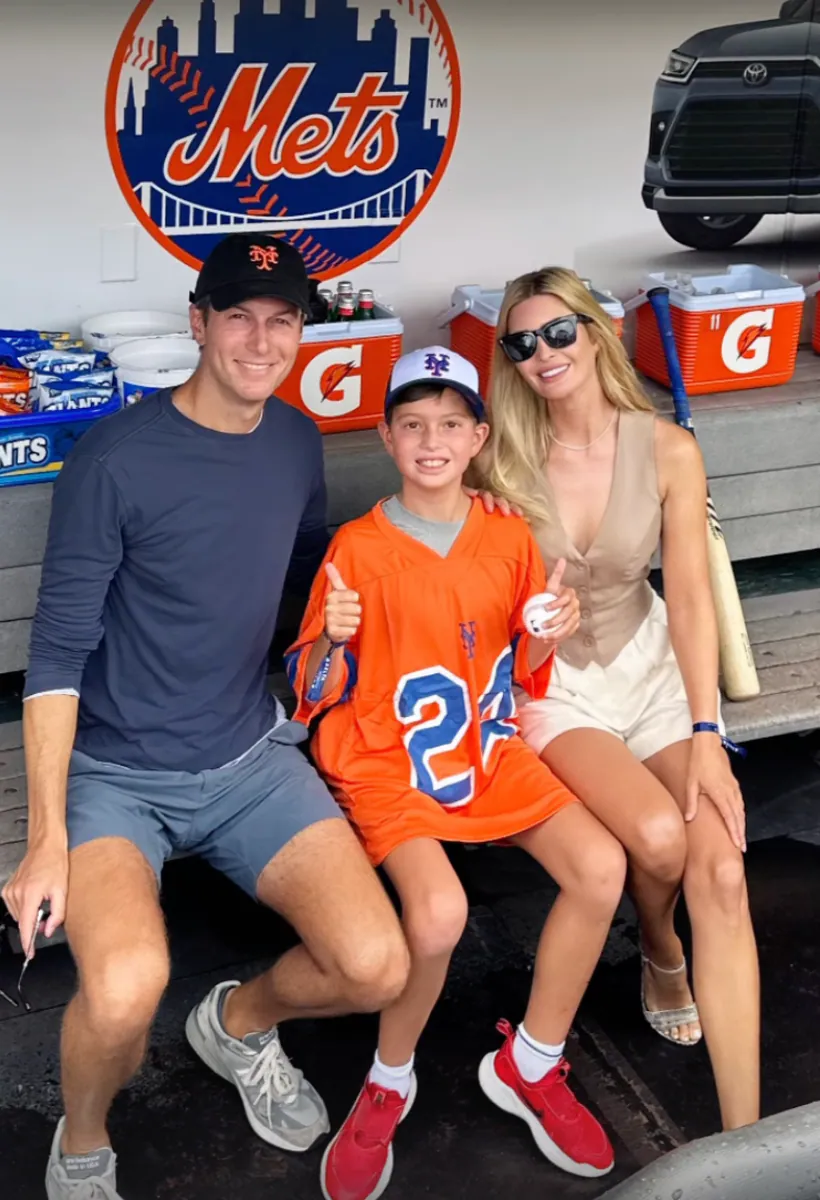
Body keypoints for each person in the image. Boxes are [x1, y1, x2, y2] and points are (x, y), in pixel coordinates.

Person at [1, 233, 411, 1200]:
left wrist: (331, 621)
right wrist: (46, 836)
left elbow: (299, 575)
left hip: (247, 755)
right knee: (124, 986)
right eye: (238, 316)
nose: (261, 340)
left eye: (282, 321)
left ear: (301, 333)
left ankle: (236, 1023)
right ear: (199, 323)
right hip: (116, 772)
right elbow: (56, 655)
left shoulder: (295, 438)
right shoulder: (118, 458)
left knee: (376, 964)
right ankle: (84, 1142)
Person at [285, 345, 628, 1200]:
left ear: (478, 435)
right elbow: (309, 694)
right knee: (437, 915)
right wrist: (329, 632)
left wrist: (552, 624)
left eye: (448, 423)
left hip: (481, 748)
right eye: (411, 423)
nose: (430, 439)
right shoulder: (355, 549)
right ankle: (388, 1077)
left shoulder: (508, 533)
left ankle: (532, 1062)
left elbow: (525, 663)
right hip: (387, 761)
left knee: (601, 866)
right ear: (386, 435)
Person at [477, 267, 760, 1132]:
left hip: (652, 665)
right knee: (655, 836)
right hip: (558, 685)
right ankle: (662, 946)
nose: (542, 354)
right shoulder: (497, 457)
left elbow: (692, 596)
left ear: (596, 331)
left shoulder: (668, 446)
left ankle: (746, 1140)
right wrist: (529, 619)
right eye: (521, 344)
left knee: (719, 864)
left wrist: (707, 730)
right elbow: (480, 601)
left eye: (558, 332)